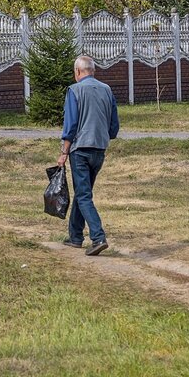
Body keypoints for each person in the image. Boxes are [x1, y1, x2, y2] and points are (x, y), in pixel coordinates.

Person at [57, 54, 120, 256]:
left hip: (80, 150)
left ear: (77, 72)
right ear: (93, 70)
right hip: (99, 149)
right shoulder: (107, 90)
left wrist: (64, 152)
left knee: (84, 195)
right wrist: (106, 136)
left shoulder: (74, 90)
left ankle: (98, 237)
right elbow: (114, 123)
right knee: (82, 193)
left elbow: (71, 124)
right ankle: (75, 237)